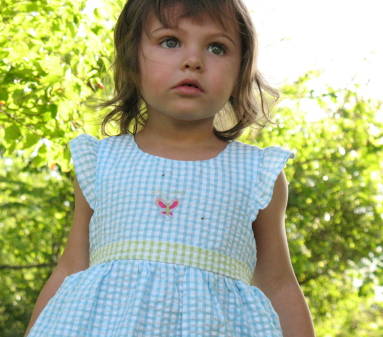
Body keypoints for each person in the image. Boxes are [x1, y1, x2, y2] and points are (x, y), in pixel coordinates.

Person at [25, 0, 315, 336]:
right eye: (170, 42)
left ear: (240, 75)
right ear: (133, 62)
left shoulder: (256, 173)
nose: (193, 60)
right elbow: (70, 269)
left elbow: (279, 285)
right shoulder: (101, 163)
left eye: (217, 48)